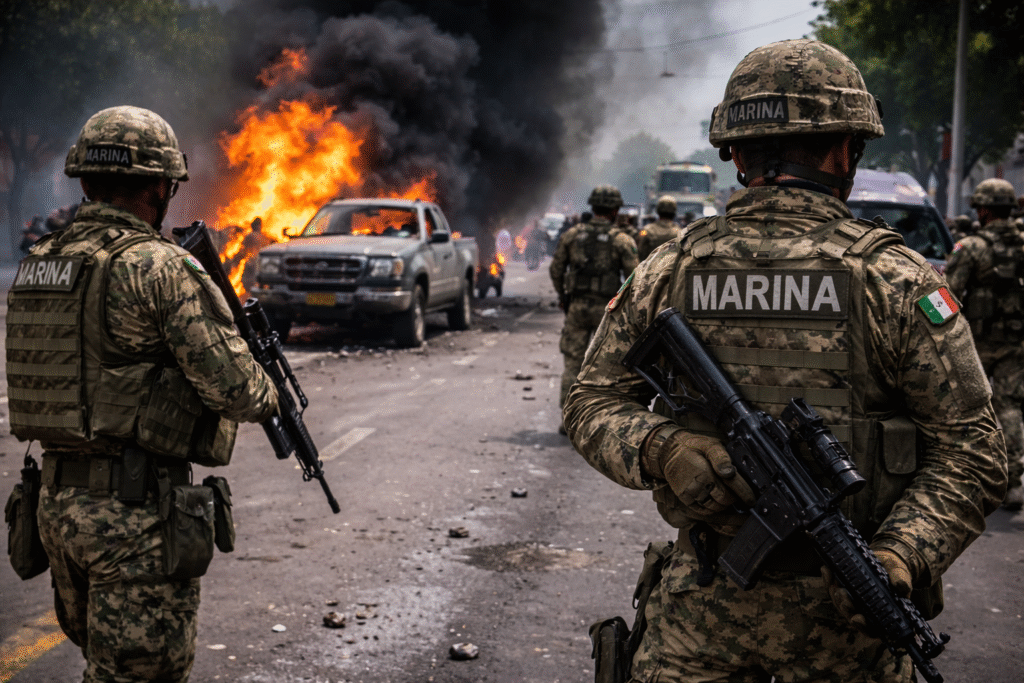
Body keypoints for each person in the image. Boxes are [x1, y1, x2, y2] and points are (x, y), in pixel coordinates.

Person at [564, 39, 1006, 682]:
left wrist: (658, 446)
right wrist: (903, 555)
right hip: (844, 637)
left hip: (699, 624)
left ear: (736, 154)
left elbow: (589, 401)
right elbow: (974, 452)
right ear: (846, 149)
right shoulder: (897, 280)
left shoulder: (670, 267)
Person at [6, 106, 279, 682]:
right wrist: (264, 377)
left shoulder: (39, 263)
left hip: (54, 512)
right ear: (159, 185)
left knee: (104, 668)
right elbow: (241, 392)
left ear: (84, 180)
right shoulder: (160, 268)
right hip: (132, 522)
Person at [944, 178, 1024, 512]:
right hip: (1015, 343)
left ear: (985, 209)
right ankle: (1013, 483)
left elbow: (947, 295)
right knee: (1009, 407)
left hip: (973, 343)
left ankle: (963, 477)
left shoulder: (971, 247)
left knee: (965, 409)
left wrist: (941, 337)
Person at [549, 185, 638, 432]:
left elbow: (556, 269)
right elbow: (635, 276)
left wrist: (563, 296)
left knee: (572, 363)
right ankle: (600, 424)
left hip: (576, 307)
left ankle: (568, 421)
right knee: (606, 367)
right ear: (615, 210)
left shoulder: (572, 235)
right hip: (607, 310)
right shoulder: (621, 239)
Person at [636, 195, 682, 261]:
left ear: (658, 210)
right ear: (674, 212)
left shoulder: (646, 230)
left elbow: (639, 252)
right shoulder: (680, 232)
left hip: (649, 270)